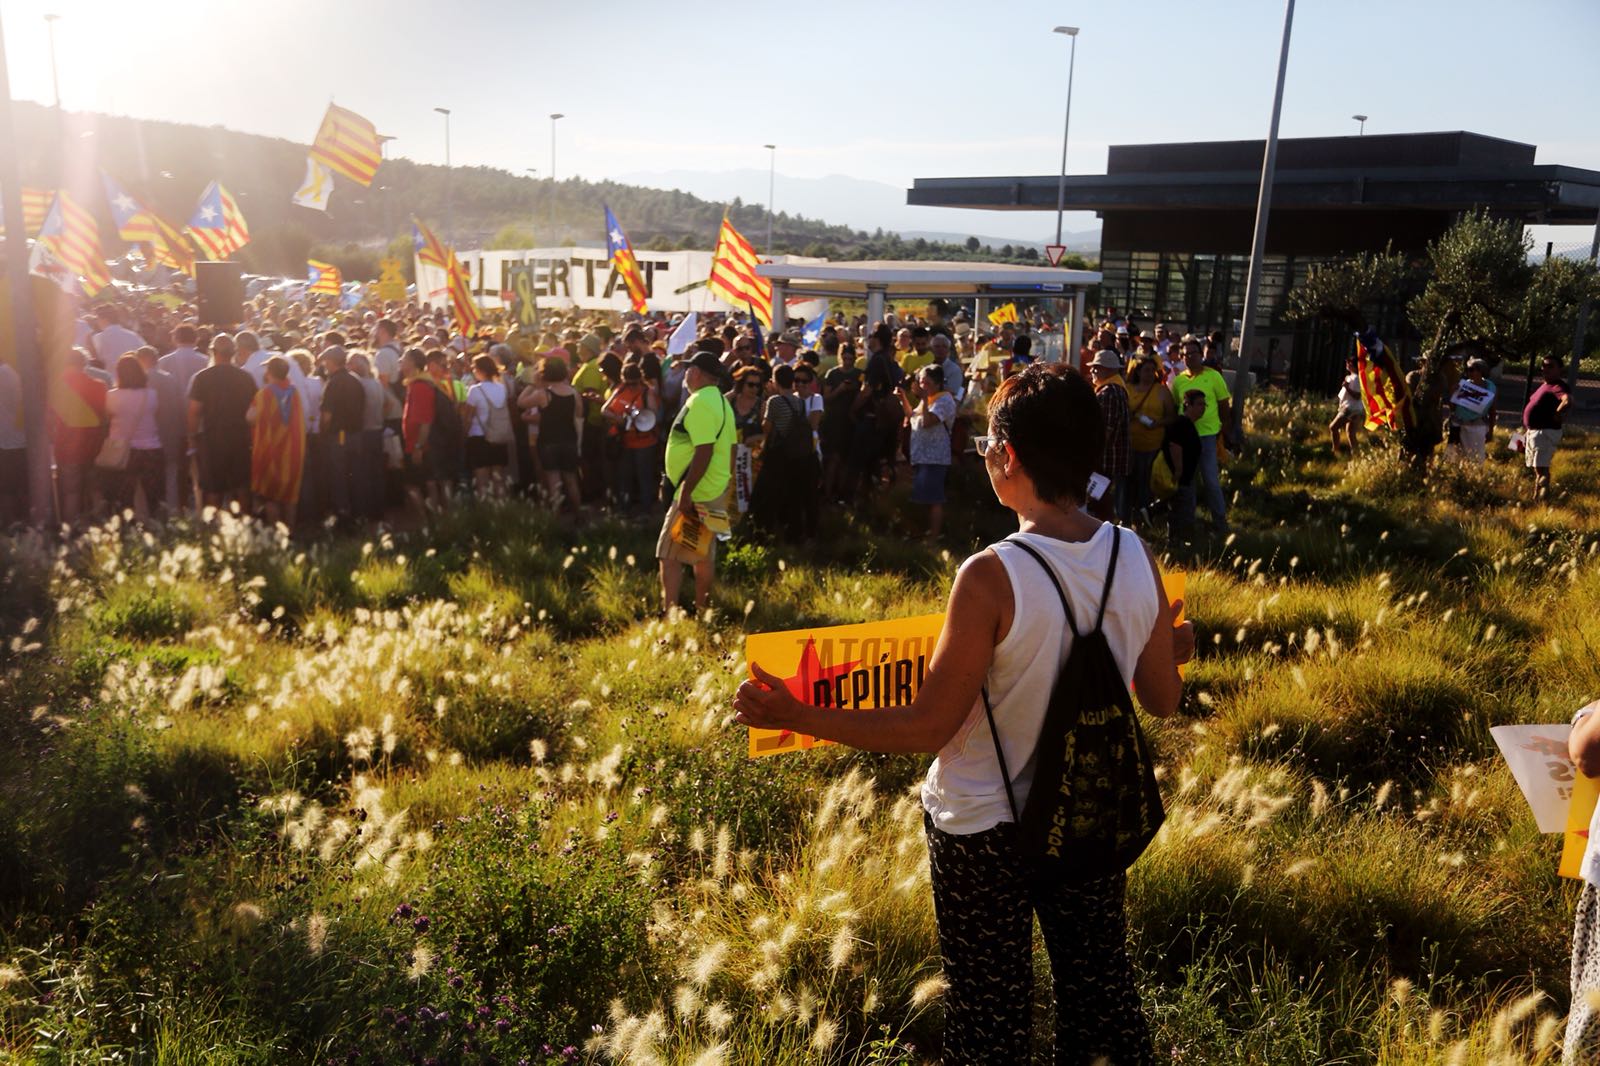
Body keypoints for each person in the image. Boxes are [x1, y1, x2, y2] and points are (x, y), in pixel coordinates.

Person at [734, 363, 1192, 1063]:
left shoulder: (991, 575)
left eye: (985, 445)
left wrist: (799, 712)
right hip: (1090, 811)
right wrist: (1166, 643)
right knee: (1101, 995)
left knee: (990, 1014)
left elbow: (928, 727)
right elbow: (1163, 699)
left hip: (983, 828)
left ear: (1008, 457)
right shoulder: (1135, 554)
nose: (983, 457)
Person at [658, 350, 737, 616]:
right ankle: (703, 611)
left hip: (696, 491)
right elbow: (732, 447)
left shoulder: (701, 401)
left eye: (688, 369)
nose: (685, 374)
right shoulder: (722, 402)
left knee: (669, 556)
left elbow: (705, 450)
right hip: (713, 488)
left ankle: (670, 615)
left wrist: (687, 492)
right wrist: (726, 483)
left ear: (698, 373)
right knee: (702, 555)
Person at [1168, 337, 1232, 534]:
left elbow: (1223, 405)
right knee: (1186, 482)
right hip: (1185, 439)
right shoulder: (1178, 381)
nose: (1189, 358)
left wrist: (1225, 431)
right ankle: (1188, 523)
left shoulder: (1213, 376)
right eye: (1185, 355)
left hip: (1207, 437)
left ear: (1201, 355)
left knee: (1211, 481)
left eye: (1193, 354)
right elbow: (1175, 408)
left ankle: (1220, 523)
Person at [186, 334, 256, 511]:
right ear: (233, 352)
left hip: (212, 438)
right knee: (242, 486)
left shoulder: (203, 377)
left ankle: (213, 527)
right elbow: (255, 410)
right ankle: (246, 524)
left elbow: (194, 411)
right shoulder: (246, 377)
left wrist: (192, 437)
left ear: (213, 352)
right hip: (240, 437)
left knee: (213, 486)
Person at [244, 355, 306, 527]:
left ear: (270, 372)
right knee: (289, 496)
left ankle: (277, 536)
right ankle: (290, 533)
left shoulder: (264, 394)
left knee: (270, 495)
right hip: (293, 450)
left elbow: (250, 418)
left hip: (270, 450)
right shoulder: (294, 392)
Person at [102, 354, 164, 518]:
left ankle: (127, 532)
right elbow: (156, 415)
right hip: (151, 448)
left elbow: (108, 418)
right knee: (154, 496)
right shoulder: (151, 395)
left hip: (123, 451)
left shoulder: (111, 396)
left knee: (124, 497)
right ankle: (158, 530)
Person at [520, 354, 584, 513]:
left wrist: (533, 384)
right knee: (571, 480)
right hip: (569, 439)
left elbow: (521, 402)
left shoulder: (544, 394)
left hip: (548, 441)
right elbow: (579, 414)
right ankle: (578, 514)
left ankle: (556, 516)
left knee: (553, 480)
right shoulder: (573, 392)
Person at [902, 363, 957, 539]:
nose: (921, 385)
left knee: (933, 499)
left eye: (925, 382)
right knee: (921, 498)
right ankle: (923, 533)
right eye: (920, 381)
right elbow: (912, 417)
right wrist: (903, 397)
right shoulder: (928, 399)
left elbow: (927, 422)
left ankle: (934, 536)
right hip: (921, 455)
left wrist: (925, 400)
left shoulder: (944, 400)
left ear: (937, 383)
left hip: (935, 457)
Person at [600, 362, 659, 512]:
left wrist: (639, 418)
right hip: (625, 441)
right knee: (624, 476)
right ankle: (625, 508)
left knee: (644, 477)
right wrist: (618, 417)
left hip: (644, 443)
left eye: (635, 383)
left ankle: (646, 510)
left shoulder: (647, 393)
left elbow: (654, 416)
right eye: (629, 383)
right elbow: (604, 410)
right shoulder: (620, 389)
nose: (632, 387)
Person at [1125, 357, 1175, 524]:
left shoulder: (1161, 391)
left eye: (1152, 371)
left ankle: (1145, 514)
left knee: (1146, 482)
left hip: (1151, 445)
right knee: (1129, 482)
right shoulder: (1128, 389)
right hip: (1130, 444)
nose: (1150, 374)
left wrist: (1158, 423)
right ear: (1138, 371)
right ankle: (1128, 514)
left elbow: (1171, 417)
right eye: (1146, 370)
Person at [319, 345, 364, 523]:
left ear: (331, 362)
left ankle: (343, 514)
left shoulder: (334, 383)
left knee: (339, 475)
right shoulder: (355, 379)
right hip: (356, 434)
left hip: (340, 436)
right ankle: (358, 512)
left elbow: (327, 415)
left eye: (326, 361)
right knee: (355, 474)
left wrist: (323, 432)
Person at [1087, 350, 1130, 522]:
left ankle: (1106, 532)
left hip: (1105, 458)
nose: (1091, 372)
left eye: (1095, 368)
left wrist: (1091, 455)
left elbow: (1104, 431)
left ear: (1106, 370)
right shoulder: (1116, 389)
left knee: (1100, 498)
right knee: (1100, 497)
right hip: (1110, 456)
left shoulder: (1108, 394)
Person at [1522, 355, 1569, 501]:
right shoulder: (1545, 385)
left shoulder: (1558, 386)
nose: (1545, 369)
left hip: (1544, 432)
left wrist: (1557, 413)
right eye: (1544, 365)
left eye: (1550, 366)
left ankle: (1539, 499)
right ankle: (1538, 497)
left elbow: (1567, 400)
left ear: (1559, 369)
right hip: (1534, 432)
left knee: (1541, 469)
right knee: (1537, 467)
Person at [349, 352, 388, 520]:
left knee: (363, 473)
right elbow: (388, 403)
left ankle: (366, 511)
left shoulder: (359, 385)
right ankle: (378, 510)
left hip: (365, 432)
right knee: (376, 472)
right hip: (377, 430)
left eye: (353, 363)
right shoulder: (377, 383)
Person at [1166, 390, 1205, 544]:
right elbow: (1175, 445)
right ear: (1187, 405)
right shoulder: (1182, 423)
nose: (1203, 408)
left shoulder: (1189, 424)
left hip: (1187, 478)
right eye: (1199, 404)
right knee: (1181, 512)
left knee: (1180, 511)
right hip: (1182, 478)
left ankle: (1177, 542)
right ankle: (1178, 544)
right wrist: (1179, 469)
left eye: (1204, 404)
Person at [1449, 357, 1496, 464]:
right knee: (1455, 458)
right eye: (1467, 370)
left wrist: (1491, 431)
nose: (1468, 372)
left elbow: (1492, 411)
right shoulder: (1463, 385)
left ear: (1481, 371)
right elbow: (1453, 408)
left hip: (1477, 427)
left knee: (1476, 459)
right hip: (1459, 426)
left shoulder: (1490, 387)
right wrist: (1452, 393)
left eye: (1472, 369)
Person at [0, 359, 25, 525]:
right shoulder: (8, 373)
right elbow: (20, 403)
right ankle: (18, 524)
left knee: (7, 486)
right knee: (16, 485)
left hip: (8, 439)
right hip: (16, 439)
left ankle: (10, 524)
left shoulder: (7, 372)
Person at [1330, 354, 1364, 456]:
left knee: (1333, 427)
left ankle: (1335, 451)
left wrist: (1347, 387)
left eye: (1348, 362)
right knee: (1350, 433)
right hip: (1354, 408)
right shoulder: (1349, 377)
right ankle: (1356, 456)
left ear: (1353, 365)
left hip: (1350, 408)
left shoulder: (1357, 379)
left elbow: (1358, 396)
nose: (1347, 364)